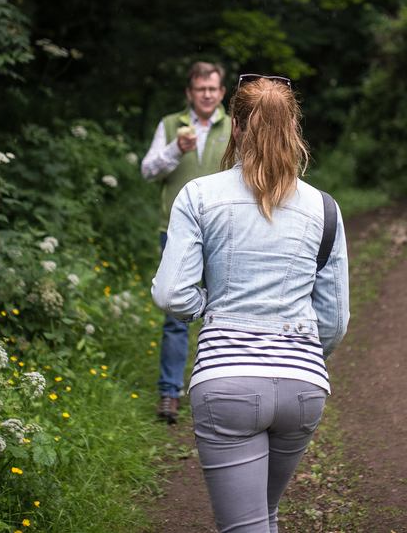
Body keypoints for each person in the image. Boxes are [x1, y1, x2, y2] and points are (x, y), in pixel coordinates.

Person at [152, 74, 349, 533]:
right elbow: (335, 320)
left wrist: (213, 306)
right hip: (303, 387)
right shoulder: (326, 209)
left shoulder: (199, 196)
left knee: (244, 526)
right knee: (264, 516)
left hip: (227, 383)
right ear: (293, 130)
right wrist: (300, 353)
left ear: (235, 127)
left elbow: (170, 293)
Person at [141, 61, 232, 424]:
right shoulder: (169, 125)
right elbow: (147, 171)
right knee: (176, 313)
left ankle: (218, 389)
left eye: (213, 89)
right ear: (189, 93)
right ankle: (169, 392)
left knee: (223, 310)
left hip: (225, 230)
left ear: (222, 92)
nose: (207, 95)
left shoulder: (235, 125)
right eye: (200, 89)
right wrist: (175, 150)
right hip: (176, 231)